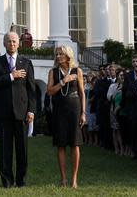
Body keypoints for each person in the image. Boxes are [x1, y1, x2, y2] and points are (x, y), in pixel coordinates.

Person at [0, 31, 36, 188]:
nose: (12, 44)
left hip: (22, 112)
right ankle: (7, 181)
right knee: (5, 150)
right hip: (3, 112)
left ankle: (21, 181)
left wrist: (31, 110)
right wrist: (11, 75)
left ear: (19, 43)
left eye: (15, 41)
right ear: (4, 43)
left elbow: (31, 90)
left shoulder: (26, 62)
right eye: (9, 41)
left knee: (22, 150)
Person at [47, 45, 85, 189]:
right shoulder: (53, 72)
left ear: (68, 55)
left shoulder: (78, 71)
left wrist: (83, 112)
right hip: (59, 109)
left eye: (61, 54)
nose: (58, 56)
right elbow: (50, 91)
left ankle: (74, 179)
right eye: (56, 54)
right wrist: (64, 80)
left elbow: (82, 93)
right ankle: (63, 178)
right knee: (61, 144)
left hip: (74, 108)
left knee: (75, 144)